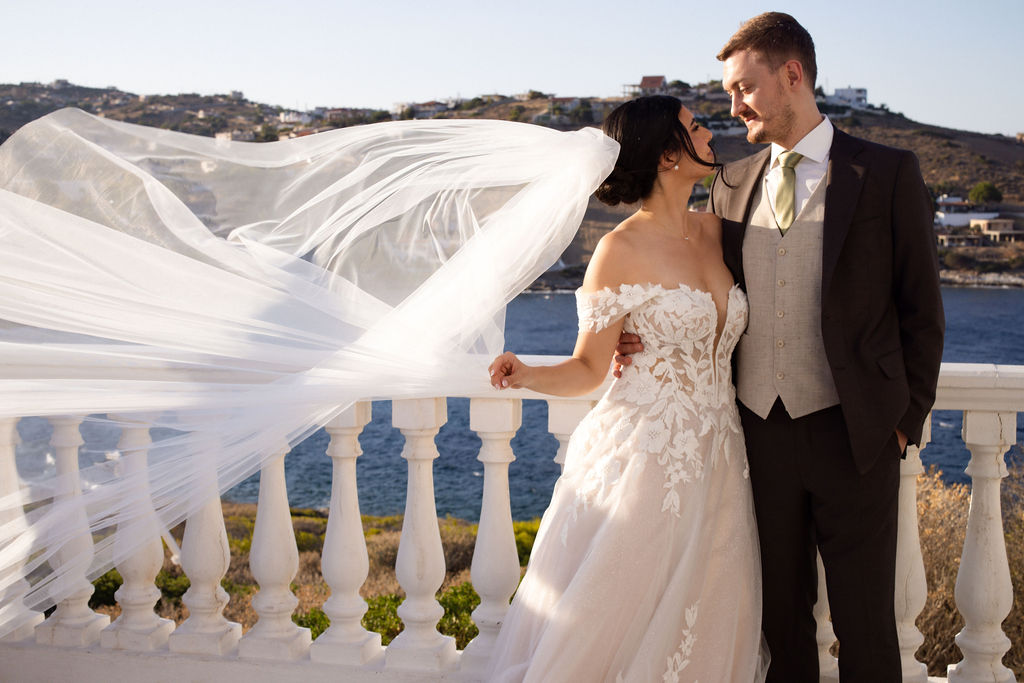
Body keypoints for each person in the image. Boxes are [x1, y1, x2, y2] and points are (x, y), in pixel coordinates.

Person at [615, 13, 944, 682]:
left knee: (866, 627)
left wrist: (903, 423)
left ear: (792, 76)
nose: (733, 107)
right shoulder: (731, 183)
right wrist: (639, 330)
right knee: (778, 623)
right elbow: (692, 274)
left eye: (744, 88)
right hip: (756, 435)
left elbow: (922, 310)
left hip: (857, 436)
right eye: (729, 93)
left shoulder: (885, 172)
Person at [487, 95, 767, 682]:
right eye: (695, 128)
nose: (711, 134)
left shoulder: (722, 231)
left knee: (708, 616)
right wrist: (528, 374)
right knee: (615, 619)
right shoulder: (617, 251)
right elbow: (589, 368)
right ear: (668, 154)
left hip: (722, 460)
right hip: (646, 459)